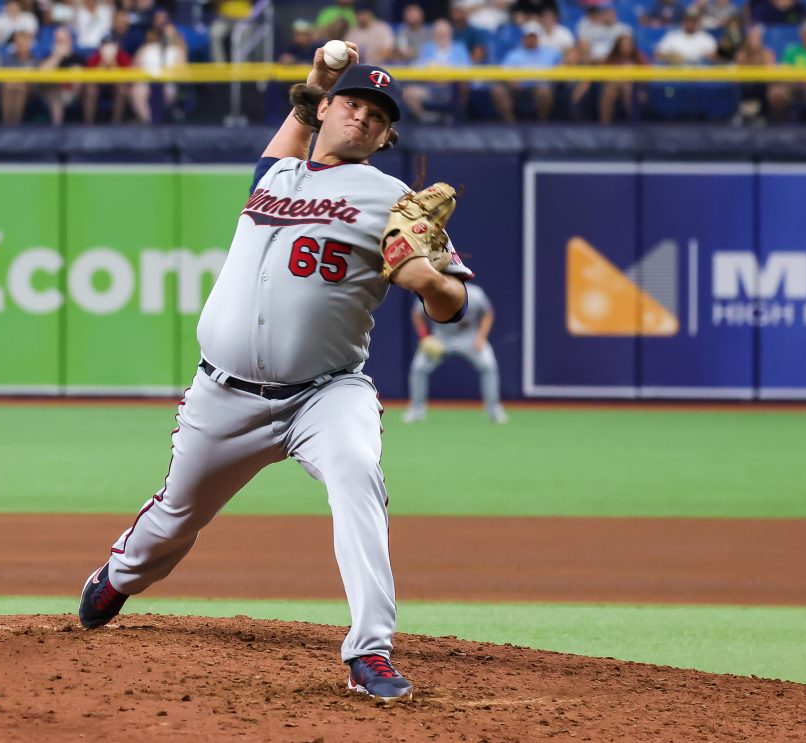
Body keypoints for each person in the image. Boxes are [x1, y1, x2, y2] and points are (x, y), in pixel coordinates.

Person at [78, 43, 474, 703]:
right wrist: (317, 79)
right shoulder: (276, 175)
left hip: (325, 393)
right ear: (329, 109)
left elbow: (457, 302)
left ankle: (369, 649)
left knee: (356, 473)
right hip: (223, 394)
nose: (365, 118)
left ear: (386, 135)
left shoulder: (393, 198)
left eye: (379, 114)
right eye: (354, 103)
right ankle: (121, 574)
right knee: (175, 518)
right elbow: (295, 123)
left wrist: (426, 279)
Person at [403, 283, 506, 424]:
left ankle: (494, 410)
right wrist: (424, 336)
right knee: (419, 367)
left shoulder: (474, 294)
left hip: (469, 337)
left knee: (488, 364)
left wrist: (481, 337)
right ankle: (416, 411)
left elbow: (487, 313)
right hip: (441, 338)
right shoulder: (433, 292)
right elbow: (417, 313)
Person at [402, 18, 471, 122]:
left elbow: (467, 69)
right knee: (407, 93)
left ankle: (455, 117)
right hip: (430, 88)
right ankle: (427, 117)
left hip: (452, 88)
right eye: (438, 32)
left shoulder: (459, 48)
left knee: (464, 86)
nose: (441, 35)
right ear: (434, 34)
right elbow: (417, 67)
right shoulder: (427, 48)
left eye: (444, 32)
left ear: (450, 33)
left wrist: (447, 74)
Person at [492, 20, 561, 122]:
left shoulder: (550, 53)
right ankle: (511, 125)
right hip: (518, 87)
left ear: (538, 38)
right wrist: (511, 80)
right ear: (523, 37)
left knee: (544, 90)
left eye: (533, 36)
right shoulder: (514, 54)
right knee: (498, 91)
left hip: (539, 86)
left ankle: (542, 124)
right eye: (528, 36)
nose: (530, 39)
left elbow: (560, 67)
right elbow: (504, 72)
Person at [40, 26, 84, 125]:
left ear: (70, 41)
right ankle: (57, 129)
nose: (61, 43)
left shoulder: (77, 58)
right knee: (55, 92)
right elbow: (42, 73)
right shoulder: (49, 56)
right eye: (58, 41)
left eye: (64, 40)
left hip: (73, 93)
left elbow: (78, 82)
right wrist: (57, 56)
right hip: (50, 92)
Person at [0, 28, 39, 124]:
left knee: (20, 87)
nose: (21, 44)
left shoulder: (34, 59)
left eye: (24, 41)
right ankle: (7, 123)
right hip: (10, 87)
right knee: (9, 87)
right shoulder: (8, 58)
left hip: (31, 89)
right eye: (19, 41)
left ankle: (16, 124)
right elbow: (3, 78)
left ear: (29, 43)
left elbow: (36, 79)